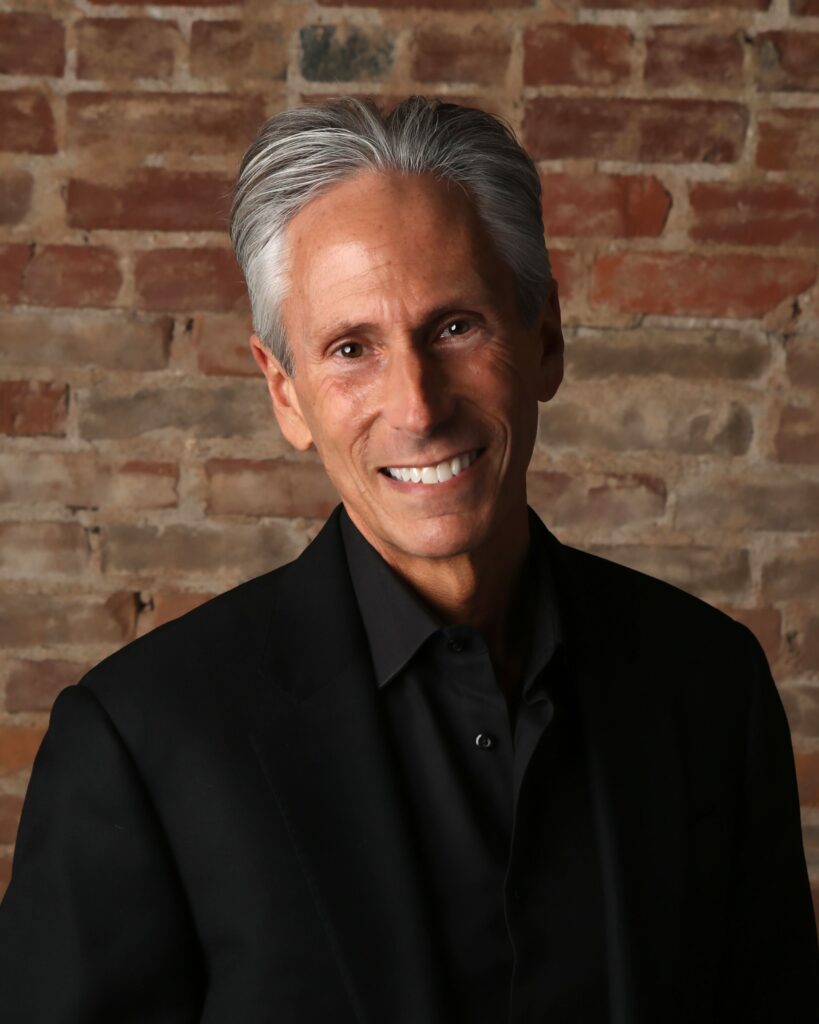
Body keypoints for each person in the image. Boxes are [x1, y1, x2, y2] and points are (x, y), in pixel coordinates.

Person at [0, 96, 816, 1024]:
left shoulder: (710, 687)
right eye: (351, 348)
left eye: (455, 327)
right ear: (286, 394)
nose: (417, 405)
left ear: (544, 337)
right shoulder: (140, 741)